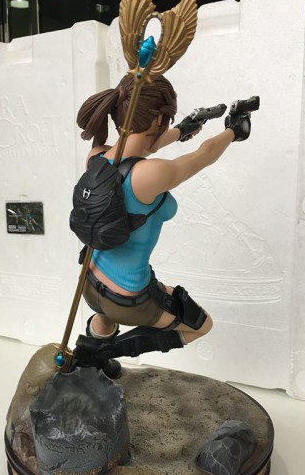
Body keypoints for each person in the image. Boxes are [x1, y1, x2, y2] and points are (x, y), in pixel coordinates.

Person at [74, 73, 251, 376]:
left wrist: (182, 129)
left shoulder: (96, 157)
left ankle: (93, 354)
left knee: (105, 315)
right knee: (201, 324)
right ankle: (103, 353)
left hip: (88, 282)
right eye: (164, 122)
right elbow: (206, 153)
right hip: (128, 299)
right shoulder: (152, 174)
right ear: (158, 120)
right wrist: (234, 130)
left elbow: (136, 149)